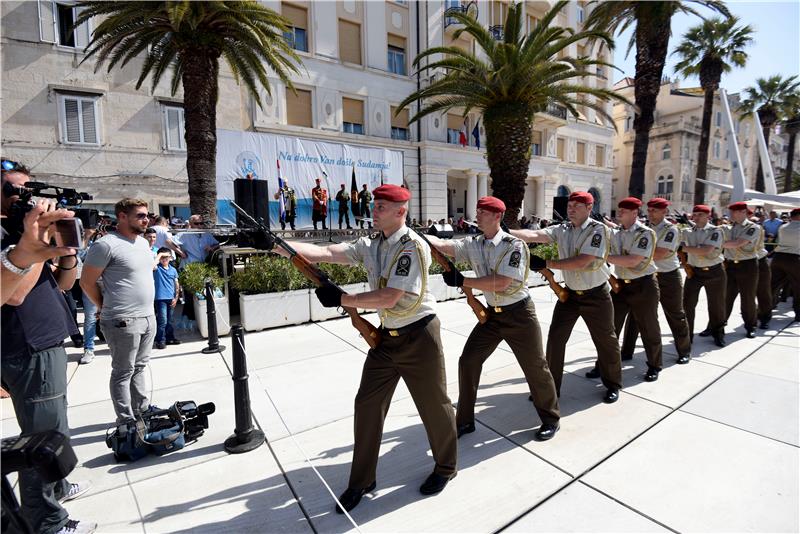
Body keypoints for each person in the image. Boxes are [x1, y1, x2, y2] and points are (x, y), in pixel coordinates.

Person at [272, 184, 457, 513]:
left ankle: (445, 467)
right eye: (375, 205)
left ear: (401, 212)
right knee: (367, 405)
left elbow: (391, 296)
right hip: (387, 338)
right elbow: (330, 254)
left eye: (382, 207)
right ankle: (362, 480)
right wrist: (281, 247)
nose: (374, 210)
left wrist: (344, 300)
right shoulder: (373, 243)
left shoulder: (411, 246)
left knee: (434, 406)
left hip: (419, 336)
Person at [1, 160, 95, 534]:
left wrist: (67, 253)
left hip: (47, 344)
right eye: (12, 190)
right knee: (40, 442)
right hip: (27, 349)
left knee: (56, 431)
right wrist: (35, 248)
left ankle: (57, 487)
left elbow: (65, 284)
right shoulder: (12, 238)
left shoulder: (20, 233)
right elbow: (18, 295)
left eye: (27, 190)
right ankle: (48, 523)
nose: (22, 198)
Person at [428, 196, 560, 441]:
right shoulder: (474, 242)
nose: (476, 215)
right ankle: (465, 421)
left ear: (497, 217)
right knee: (468, 361)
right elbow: (446, 247)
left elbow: (503, 282)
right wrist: (423, 237)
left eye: (482, 212)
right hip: (492, 317)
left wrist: (463, 281)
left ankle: (550, 419)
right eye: (477, 211)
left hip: (519, 315)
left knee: (535, 367)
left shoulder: (514, 245)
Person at [510, 191, 623, 404]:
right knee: (556, 338)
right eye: (569, 205)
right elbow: (537, 235)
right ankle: (551, 389)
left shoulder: (597, 230)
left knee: (606, 341)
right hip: (570, 295)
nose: (570, 209)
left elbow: (584, 261)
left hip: (596, 295)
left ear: (590, 208)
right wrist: (507, 232)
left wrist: (547, 264)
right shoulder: (563, 228)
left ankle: (613, 384)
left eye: (576, 206)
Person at [81, 198, 157, 424]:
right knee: (123, 372)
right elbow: (86, 283)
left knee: (140, 368)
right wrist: (103, 306)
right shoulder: (106, 245)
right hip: (122, 320)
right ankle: (126, 421)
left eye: (147, 215)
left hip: (147, 317)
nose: (146, 220)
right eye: (141, 216)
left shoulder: (143, 243)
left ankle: (142, 411)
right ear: (122, 216)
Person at [620, 198, 692, 366]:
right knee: (636, 317)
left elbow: (660, 253)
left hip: (667, 276)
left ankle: (684, 350)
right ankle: (627, 351)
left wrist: (636, 254)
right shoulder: (644, 228)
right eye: (649, 210)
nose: (650, 213)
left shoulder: (670, 230)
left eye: (655, 210)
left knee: (675, 314)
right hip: (645, 277)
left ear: (664, 212)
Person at [603, 197, 663, 382]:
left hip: (643, 285)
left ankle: (654, 365)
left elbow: (633, 260)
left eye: (624, 210)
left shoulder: (645, 233)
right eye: (619, 210)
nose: (619, 212)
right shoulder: (616, 232)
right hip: (621, 285)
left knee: (648, 327)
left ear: (635, 213)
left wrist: (601, 257)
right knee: (610, 328)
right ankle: (604, 365)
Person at [681, 204, 727, 347]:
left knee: (716, 305)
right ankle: (687, 337)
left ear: (708, 216)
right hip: (694, 272)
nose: (696, 216)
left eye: (700, 214)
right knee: (687, 305)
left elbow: (706, 250)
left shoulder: (716, 231)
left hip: (714, 272)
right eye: (695, 214)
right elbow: (678, 247)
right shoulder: (687, 231)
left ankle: (718, 333)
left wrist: (683, 248)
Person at [720, 201, 761, 339]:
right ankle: (718, 325)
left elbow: (738, 243)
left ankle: (750, 326)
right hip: (730, 265)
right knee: (726, 297)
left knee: (747, 298)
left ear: (744, 212)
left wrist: (715, 244)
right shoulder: (728, 227)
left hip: (747, 266)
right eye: (731, 212)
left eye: (734, 212)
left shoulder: (753, 227)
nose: (731, 214)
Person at [770, 208, 800, 322]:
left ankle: (764, 310)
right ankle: (799, 313)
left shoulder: (783, 227)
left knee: (772, 286)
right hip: (794, 259)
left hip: (778, 258)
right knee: (798, 287)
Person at [152, 247, 181, 349]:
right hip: (160, 298)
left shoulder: (173, 270)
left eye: (166, 257)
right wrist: (158, 255)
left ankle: (170, 338)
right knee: (162, 320)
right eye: (162, 257)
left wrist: (176, 297)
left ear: (170, 257)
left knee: (170, 320)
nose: (164, 259)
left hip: (171, 298)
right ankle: (160, 340)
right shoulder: (157, 268)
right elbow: (151, 266)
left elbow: (176, 284)